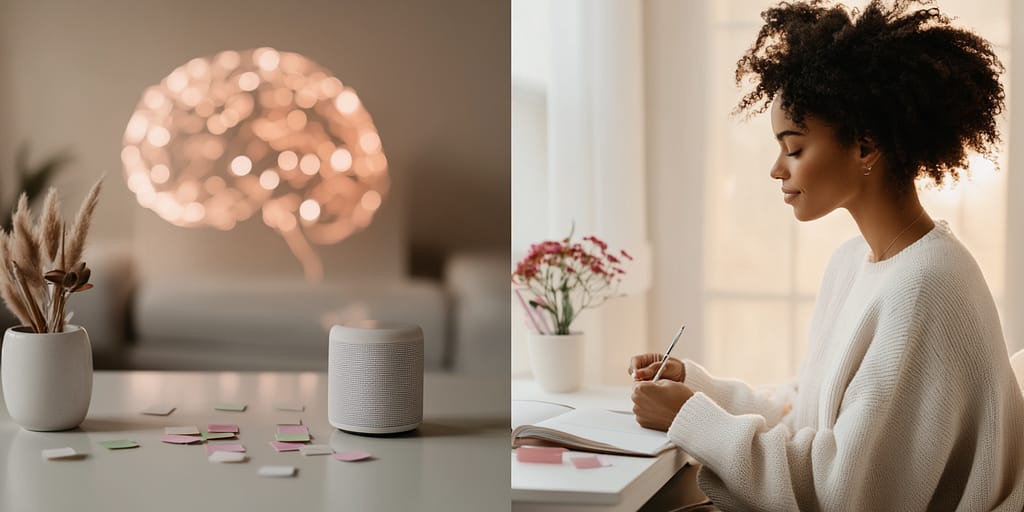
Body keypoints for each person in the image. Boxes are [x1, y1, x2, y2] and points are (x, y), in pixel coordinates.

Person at [629, 0, 1024, 510]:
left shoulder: (928, 287)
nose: (776, 169)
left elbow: (841, 491)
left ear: (865, 147)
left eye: (793, 148)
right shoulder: (851, 263)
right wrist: (694, 388)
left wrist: (691, 419)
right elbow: (809, 417)